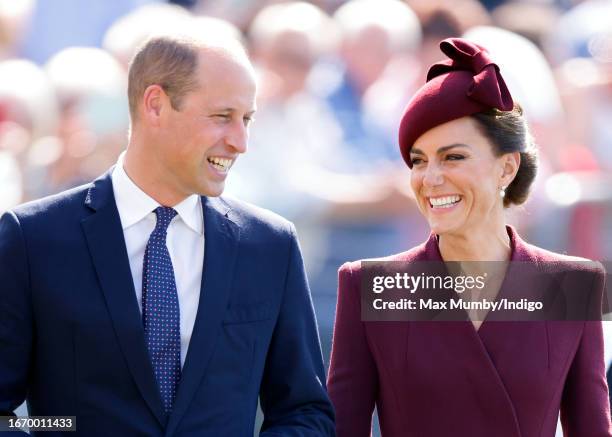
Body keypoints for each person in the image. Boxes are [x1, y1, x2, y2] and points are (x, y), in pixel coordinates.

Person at [0, 33, 335, 436]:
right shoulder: (33, 238)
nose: (240, 142)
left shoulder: (269, 245)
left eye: (246, 119)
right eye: (222, 116)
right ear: (155, 105)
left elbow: (305, 412)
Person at [327, 38, 611, 436]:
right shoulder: (370, 285)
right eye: (418, 161)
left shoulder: (570, 284)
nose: (430, 178)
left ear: (507, 168)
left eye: (453, 157)